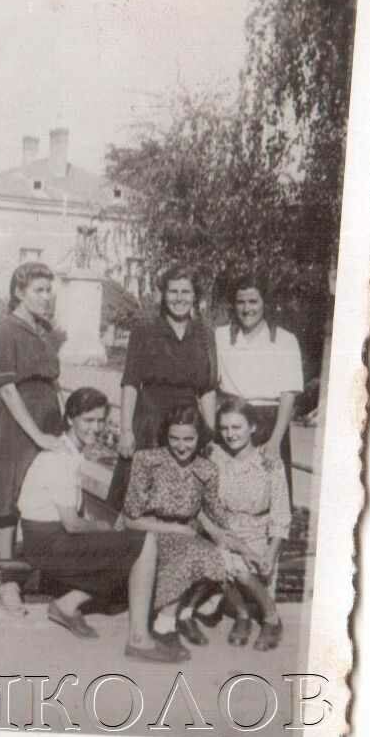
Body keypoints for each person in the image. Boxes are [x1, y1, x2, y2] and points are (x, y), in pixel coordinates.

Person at [18, 387, 183, 662]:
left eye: (100, 421)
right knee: (143, 542)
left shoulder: (68, 452)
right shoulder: (58, 458)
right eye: (88, 420)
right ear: (70, 419)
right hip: (48, 544)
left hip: (46, 539)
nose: (95, 428)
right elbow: (72, 524)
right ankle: (139, 639)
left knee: (128, 542)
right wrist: (105, 529)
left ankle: (67, 605)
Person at [122, 404, 239, 659]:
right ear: (166, 435)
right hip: (148, 532)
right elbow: (131, 518)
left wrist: (241, 538)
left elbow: (215, 512)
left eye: (189, 439)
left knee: (217, 557)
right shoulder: (147, 460)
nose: (182, 446)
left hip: (185, 534)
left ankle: (176, 614)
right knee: (189, 554)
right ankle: (165, 625)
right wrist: (173, 528)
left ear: (200, 438)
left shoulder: (207, 469)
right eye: (174, 438)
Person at [0, 262, 64, 614]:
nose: (46, 297)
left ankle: (46, 575)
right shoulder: (3, 332)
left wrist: (62, 431)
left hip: (49, 424)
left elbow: (53, 383)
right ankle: (8, 583)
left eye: (49, 290)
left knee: (48, 499)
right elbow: (7, 391)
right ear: (19, 292)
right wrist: (37, 435)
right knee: (9, 504)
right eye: (39, 290)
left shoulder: (44, 333)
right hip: (17, 429)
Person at [109, 263, 217, 512]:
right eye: (173, 292)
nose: (179, 299)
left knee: (182, 497)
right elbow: (131, 382)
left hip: (188, 423)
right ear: (163, 294)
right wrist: (126, 430)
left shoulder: (204, 334)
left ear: (195, 296)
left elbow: (208, 387)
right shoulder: (145, 329)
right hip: (150, 419)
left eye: (185, 292)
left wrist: (210, 433)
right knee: (140, 496)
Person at [203, 397, 288, 651]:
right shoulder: (215, 458)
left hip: (258, 532)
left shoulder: (269, 461)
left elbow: (281, 513)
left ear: (252, 427)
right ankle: (242, 615)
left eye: (237, 427)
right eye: (225, 428)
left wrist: (271, 553)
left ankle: (271, 617)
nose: (230, 434)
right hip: (225, 532)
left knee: (242, 569)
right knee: (219, 562)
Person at [214, 273, 303, 492]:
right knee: (228, 491)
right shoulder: (220, 336)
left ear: (265, 303)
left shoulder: (285, 340)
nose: (247, 309)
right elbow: (209, 385)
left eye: (253, 301)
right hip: (231, 421)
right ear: (233, 305)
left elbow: (288, 394)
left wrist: (275, 440)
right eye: (241, 302)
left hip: (269, 423)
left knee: (269, 491)